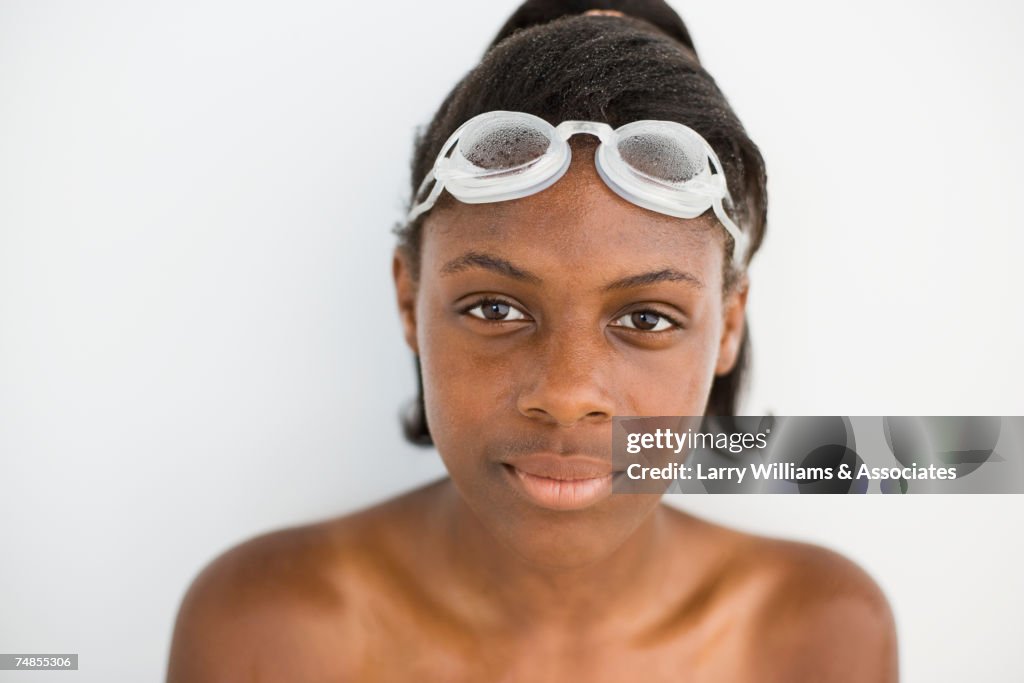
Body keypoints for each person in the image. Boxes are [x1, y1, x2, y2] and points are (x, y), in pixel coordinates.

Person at [167, 1, 898, 680]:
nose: (567, 392)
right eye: (494, 307)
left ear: (728, 325)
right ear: (408, 295)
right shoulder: (264, 630)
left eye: (646, 318)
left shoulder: (817, 629)